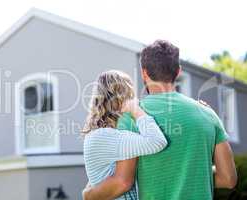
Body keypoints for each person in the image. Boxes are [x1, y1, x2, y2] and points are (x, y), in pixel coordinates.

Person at [83, 40, 237, 200]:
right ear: (178, 72)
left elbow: (123, 182)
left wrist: (88, 195)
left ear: (144, 73)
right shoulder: (208, 115)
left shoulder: (131, 117)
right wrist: (192, 174)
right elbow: (228, 179)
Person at [82, 70, 167, 200]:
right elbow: (157, 141)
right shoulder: (108, 136)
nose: (135, 98)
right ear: (121, 97)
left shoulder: (98, 134)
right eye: (130, 94)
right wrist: (135, 110)